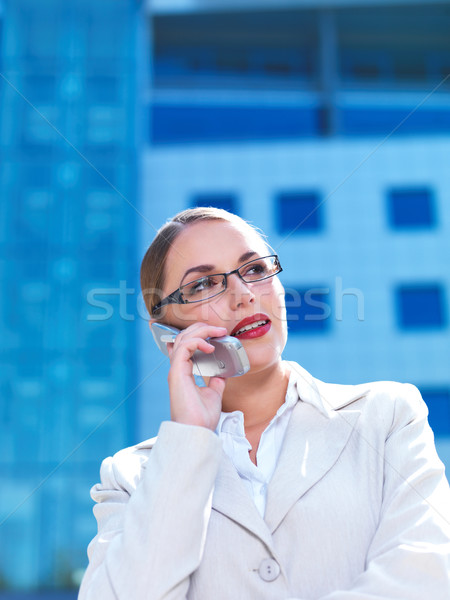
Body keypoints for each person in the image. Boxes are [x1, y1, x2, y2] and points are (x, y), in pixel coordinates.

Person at [78, 207, 450, 600]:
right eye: (204, 284)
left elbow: (427, 576)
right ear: (169, 335)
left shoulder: (388, 416)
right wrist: (188, 439)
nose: (244, 294)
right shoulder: (131, 477)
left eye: (254, 269)